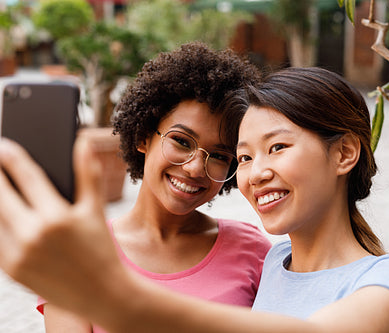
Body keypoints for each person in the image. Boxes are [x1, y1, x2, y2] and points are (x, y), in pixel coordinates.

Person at [0, 67, 389, 333]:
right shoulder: (273, 266)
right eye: (244, 156)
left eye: (277, 147)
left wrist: (117, 300)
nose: (256, 171)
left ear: (343, 153)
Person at [37, 42, 271, 332]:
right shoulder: (76, 255)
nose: (195, 167)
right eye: (181, 141)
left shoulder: (253, 251)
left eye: (220, 156)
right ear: (144, 136)